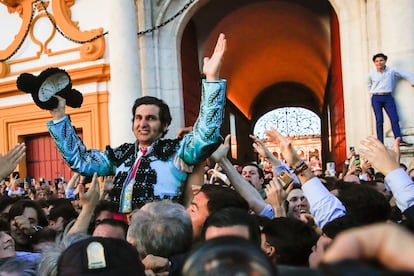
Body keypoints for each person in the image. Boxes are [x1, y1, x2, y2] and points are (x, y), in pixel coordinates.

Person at [47, 33, 227, 213]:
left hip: (161, 232)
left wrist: (211, 79)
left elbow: (205, 136)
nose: (143, 124)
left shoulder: (178, 152)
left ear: (164, 126)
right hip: (121, 233)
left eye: (151, 118)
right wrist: (59, 115)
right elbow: (81, 161)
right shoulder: (121, 155)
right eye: (139, 118)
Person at [368, 52, 414, 146]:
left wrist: (412, 82)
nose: (379, 63)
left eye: (381, 60)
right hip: (376, 97)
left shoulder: (391, 71)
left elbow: (405, 74)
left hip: (388, 97)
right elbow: (368, 85)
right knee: (379, 120)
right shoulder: (371, 74)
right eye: (376, 61)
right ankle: (380, 142)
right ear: (374, 63)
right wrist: (373, 92)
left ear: (385, 61)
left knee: (394, 118)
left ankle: (399, 139)